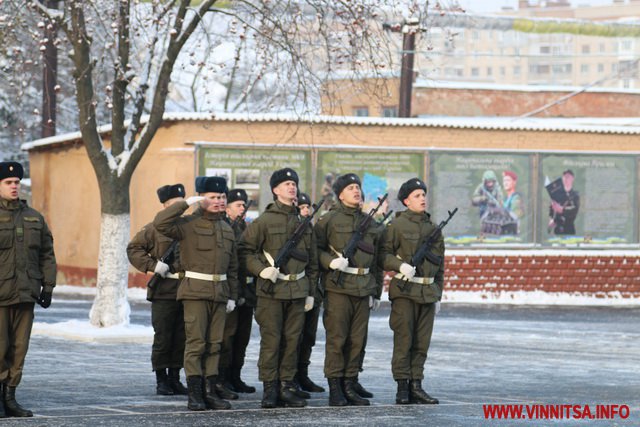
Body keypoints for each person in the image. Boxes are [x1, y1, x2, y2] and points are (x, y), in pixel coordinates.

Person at [154, 176, 238, 411]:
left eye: (222, 197)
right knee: (196, 343)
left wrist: (232, 294)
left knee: (215, 344)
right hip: (195, 292)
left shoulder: (226, 228)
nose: (219, 201)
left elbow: (232, 266)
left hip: (220, 293)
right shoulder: (187, 224)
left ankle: (210, 391)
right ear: (201, 199)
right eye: (212, 197)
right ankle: (195, 394)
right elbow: (160, 223)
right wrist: (184, 204)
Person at [239, 168, 318, 409]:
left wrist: (311, 292)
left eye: (293, 183)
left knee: (293, 341)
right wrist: (261, 269)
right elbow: (244, 251)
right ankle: (270, 389)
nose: (291, 187)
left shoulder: (303, 223)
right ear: (275, 190)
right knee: (272, 341)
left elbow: (313, 263)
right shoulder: (264, 221)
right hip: (271, 292)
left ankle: (287, 386)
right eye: (285, 184)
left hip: (297, 291)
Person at [314, 173, 382, 407]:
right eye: (351, 188)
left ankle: (350, 383)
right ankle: (335, 387)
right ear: (340, 194)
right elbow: (315, 251)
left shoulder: (371, 223)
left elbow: (377, 261)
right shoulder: (328, 220)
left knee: (357, 340)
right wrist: (330, 262)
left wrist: (376, 291)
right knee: (337, 339)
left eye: (358, 187)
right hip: (339, 288)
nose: (357, 191)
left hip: (363, 288)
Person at [0, 161, 56, 418]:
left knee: (19, 347)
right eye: (8, 183)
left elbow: (47, 254)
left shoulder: (34, 217)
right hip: (0, 294)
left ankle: (10, 398)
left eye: (16, 183)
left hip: (25, 294)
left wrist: (48, 286)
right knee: (0, 347)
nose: (14, 187)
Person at [381, 178, 442, 405]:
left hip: (427, 292)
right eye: (417, 195)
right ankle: (402, 387)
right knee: (404, 340)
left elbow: (440, 266)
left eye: (424, 194)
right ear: (406, 201)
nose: (422, 198)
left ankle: (417, 384)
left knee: (421, 342)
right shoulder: (396, 226)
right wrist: (400, 266)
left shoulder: (433, 228)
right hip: (405, 292)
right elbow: (383, 256)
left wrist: (438, 294)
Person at [127, 184, 188, 397]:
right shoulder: (153, 228)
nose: (177, 208)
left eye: (180, 204)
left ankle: (175, 378)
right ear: (164, 206)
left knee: (182, 336)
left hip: (187, 289)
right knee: (164, 336)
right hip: (164, 290)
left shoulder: (189, 226)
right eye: (173, 204)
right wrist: (153, 266)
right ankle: (161, 379)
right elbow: (133, 249)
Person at [219, 189, 256, 395]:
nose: (242, 208)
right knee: (227, 337)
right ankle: (221, 379)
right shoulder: (225, 228)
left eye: (244, 205)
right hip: (230, 290)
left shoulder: (245, 228)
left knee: (242, 337)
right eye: (238, 205)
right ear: (228, 208)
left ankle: (235, 376)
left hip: (247, 290)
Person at [293, 192, 325, 394]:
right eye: (302, 207)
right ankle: (290, 378)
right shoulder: (294, 230)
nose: (306, 210)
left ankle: (302, 375)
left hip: (313, 291)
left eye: (308, 207)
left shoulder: (312, 230)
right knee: (293, 337)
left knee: (308, 336)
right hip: (295, 289)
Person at [549, 169, 580, 235]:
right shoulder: (557, 194)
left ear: (572, 179)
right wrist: (552, 219)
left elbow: (574, 209)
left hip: (569, 229)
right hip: (557, 230)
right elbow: (552, 210)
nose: (566, 179)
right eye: (564, 177)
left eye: (568, 177)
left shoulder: (575, 195)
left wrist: (562, 209)